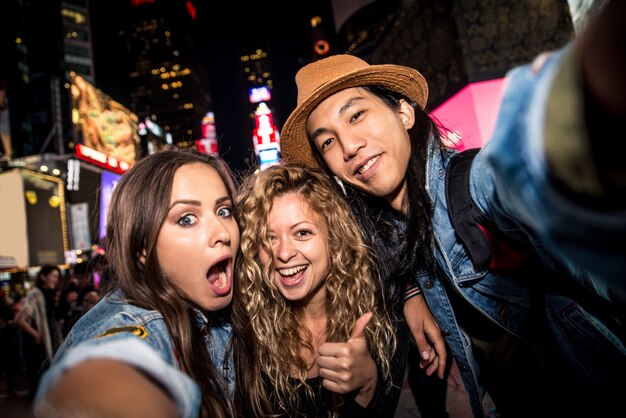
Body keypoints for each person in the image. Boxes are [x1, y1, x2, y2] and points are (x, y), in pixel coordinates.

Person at [279, 1, 625, 417]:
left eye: (356, 115)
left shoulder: (471, 184)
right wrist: (409, 292)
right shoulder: (393, 231)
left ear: (404, 112)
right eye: (328, 141)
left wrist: (581, 109)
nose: (349, 145)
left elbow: (519, 179)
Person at [33, 150, 241, 418]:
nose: (223, 233)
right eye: (187, 219)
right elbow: (112, 372)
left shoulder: (219, 315)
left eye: (224, 211)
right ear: (142, 247)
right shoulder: (139, 322)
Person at [232, 163, 397, 417]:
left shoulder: (380, 320)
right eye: (269, 238)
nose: (283, 253)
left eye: (302, 232)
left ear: (334, 237)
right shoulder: (245, 331)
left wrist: (367, 386)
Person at [15, 264, 63, 401]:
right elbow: (19, 319)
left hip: (44, 343)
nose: (55, 279)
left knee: (43, 378)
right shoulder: (36, 294)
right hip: (35, 345)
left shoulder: (50, 294)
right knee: (38, 379)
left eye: (57, 277)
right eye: (53, 276)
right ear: (43, 277)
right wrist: (36, 334)